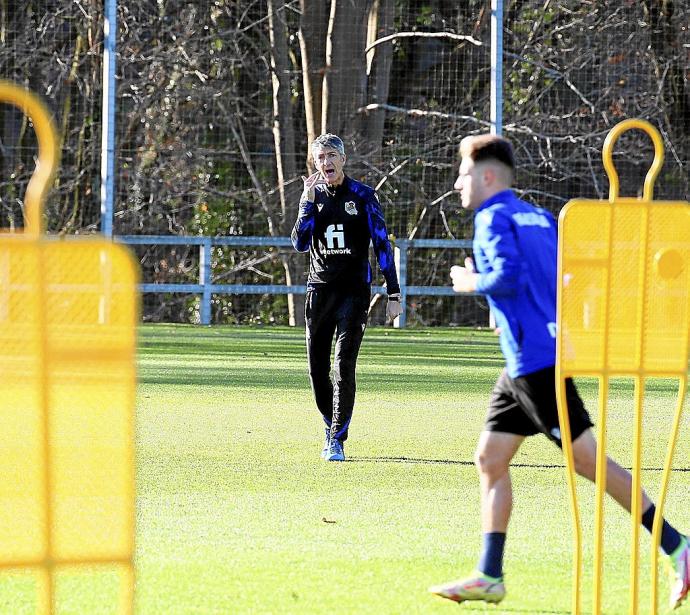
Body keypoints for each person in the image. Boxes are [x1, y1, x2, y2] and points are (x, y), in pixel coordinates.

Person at [429, 134, 689, 608]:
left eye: (463, 174)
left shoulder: (492, 218)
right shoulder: (540, 218)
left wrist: (469, 283)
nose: (457, 183)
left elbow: (506, 277)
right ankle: (489, 574)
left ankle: (678, 546)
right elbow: (562, 279)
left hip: (535, 362)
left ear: (487, 176)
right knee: (489, 458)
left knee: (587, 460)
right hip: (531, 358)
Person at [291, 133, 402, 462]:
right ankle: (329, 425)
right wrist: (306, 203)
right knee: (316, 369)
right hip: (319, 292)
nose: (326, 163)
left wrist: (393, 292)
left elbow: (382, 245)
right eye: (320, 158)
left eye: (330, 156)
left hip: (354, 293)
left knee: (343, 365)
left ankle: (337, 437)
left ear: (342, 159)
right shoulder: (312, 198)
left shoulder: (364, 196)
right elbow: (299, 242)